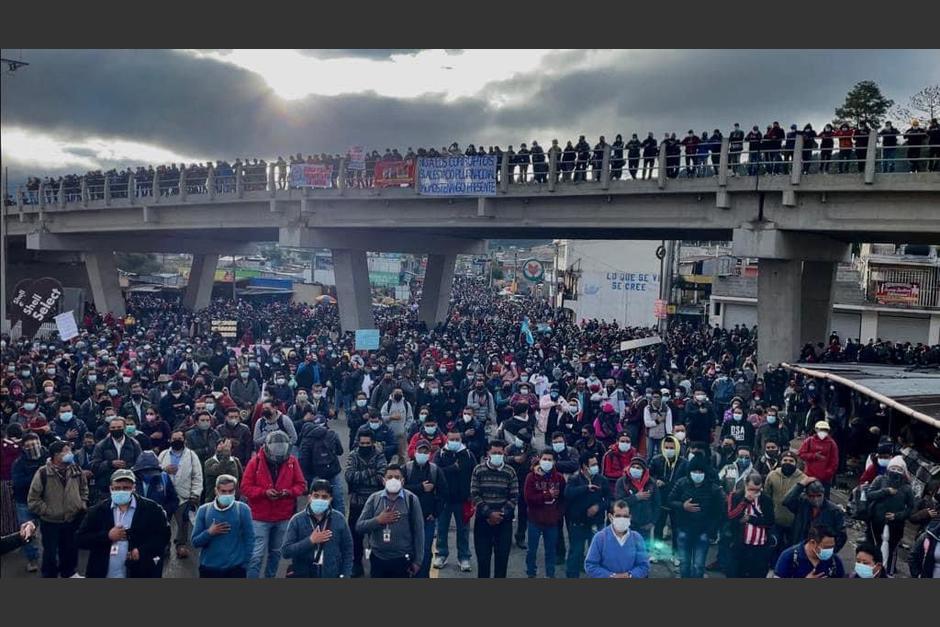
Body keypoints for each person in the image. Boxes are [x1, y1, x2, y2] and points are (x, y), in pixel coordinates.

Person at [75, 468, 171, 578]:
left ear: (134, 488)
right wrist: (107, 536)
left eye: (126, 488)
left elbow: (163, 537)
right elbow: (80, 539)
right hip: (103, 572)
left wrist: (142, 551)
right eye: (117, 488)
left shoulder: (152, 509)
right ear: (111, 489)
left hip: (139, 571)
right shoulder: (98, 511)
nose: (121, 491)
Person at [242, 430, 307, 578]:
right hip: (260, 516)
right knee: (256, 555)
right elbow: (245, 487)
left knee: (276, 553)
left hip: (283, 515)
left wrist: (288, 492)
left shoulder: (291, 461)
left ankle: (270, 577)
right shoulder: (255, 462)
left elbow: (301, 485)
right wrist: (264, 492)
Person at [27, 440, 88, 578]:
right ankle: (49, 575)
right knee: (50, 552)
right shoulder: (43, 472)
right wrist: (49, 511)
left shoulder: (76, 469)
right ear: (56, 454)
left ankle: (69, 573)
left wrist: (82, 503)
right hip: (51, 522)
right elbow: (33, 500)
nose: (70, 453)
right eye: (66, 451)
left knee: (70, 549)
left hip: (72, 519)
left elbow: (84, 488)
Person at [355, 464, 425, 578]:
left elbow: (419, 532)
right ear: (383, 481)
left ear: (403, 481)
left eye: (397, 477)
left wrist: (418, 561)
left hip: (402, 558)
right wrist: (378, 520)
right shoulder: (374, 498)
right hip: (378, 558)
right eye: (390, 477)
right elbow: (359, 526)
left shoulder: (412, 500)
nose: (393, 480)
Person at [281, 478, 353, 578]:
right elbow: (286, 551)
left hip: (331, 574)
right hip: (304, 575)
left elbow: (348, 550)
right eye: (316, 496)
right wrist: (310, 541)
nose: (320, 499)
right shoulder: (297, 520)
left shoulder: (339, 519)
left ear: (330, 499)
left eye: (324, 497)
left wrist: (345, 575)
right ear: (309, 497)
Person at [668, 455, 724, 578]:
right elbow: (670, 500)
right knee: (684, 564)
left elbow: (719, 512)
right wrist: (683, 506)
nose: (697, 474)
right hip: (683, 529)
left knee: (698, 566)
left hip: (703, 532)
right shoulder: (681, 483)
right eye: (694, 471)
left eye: (700, 471)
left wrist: (711, 532)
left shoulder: (713, 489)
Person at [470, 439, 518, 578]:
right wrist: (489, 514)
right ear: (488, 453)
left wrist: (500, 514)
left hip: (504, 522)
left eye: (500, 453)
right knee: (483, 562)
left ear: (504, 453)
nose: (497, 455)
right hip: (483, 522)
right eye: (494, 452)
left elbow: (514, 497)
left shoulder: (510, 471)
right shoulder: (478, 470)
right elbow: (475, 494)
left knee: (502, 562)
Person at [191, 474, 254, 577]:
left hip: (235, 569)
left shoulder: (243, 510)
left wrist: (245, 564)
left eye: (230, 491)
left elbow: (250, 539)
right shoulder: (204, 510)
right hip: (209, 568)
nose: (227, 494)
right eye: (223, 491)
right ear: (216, 491)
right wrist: (209, 533)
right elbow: (195, 542)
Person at [403, 439, 449, 577]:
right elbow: (401, 489)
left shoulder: (435, 470)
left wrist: (435, 513)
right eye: (420, 451)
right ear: (415, 452)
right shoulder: (406, 469)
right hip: (408, 518)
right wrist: (420, 488)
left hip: (427, 519)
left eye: (425, 451)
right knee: (407, 549)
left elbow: (443, 493)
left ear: (430, 454)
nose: (422, 454)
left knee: (425, 550)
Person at [345, 429, 387, 577]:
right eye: (362, 443)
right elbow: (349, 476)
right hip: (357, 502)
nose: (364, 445)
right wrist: (370, 472)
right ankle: (356, 564)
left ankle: (376, 564)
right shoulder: (353, 455)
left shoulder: (379, 455)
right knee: (355, 535)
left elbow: (382, 477)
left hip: (375, 501)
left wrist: (362, 476)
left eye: (367, 443)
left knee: (376, 535)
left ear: (373, 443)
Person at [434, 427, 476, 572]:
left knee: (463, 530)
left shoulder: (468, 455)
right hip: (444, 500)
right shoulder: (440, 454)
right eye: (451, 439)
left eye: (457, 439)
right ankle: (441, 554)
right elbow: (436, 473)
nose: (454, 442)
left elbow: (475, 474)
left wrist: (472, 495)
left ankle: (464, 557)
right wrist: (452, 468)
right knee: (442, 529)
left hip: (463, 500)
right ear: (447, 439)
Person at [865, 455, 914, 576]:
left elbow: (911, 508)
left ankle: (888, 573)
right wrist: (885, 491)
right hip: (876, 521)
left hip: (896, 524)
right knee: (874, 546)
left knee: (892, 550)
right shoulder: (880, 480)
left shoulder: (907, 488)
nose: (896, 472)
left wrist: (897, 516)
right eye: (893, 468)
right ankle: (871, 570)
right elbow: (869, 494)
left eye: (899, 469)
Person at [158, 430, 203, 559]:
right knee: (163, 522)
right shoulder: (163, 454)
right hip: (166, 496)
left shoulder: (191, 455)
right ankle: (165, 545)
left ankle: (181, 545)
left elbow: (197, 476)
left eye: (179, 438)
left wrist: (195, 494)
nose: (176, 441)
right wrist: (164, 470)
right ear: (170, 440)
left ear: (184, 441)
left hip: (184, 496)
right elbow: (155, 472)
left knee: (183, 522)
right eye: (174, 439)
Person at [565, 452, 611, 578]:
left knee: (597, 554)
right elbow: (568, 493)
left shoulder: (602, 480)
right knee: (576, 553)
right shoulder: (574, 479)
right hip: (578, 523)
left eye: (596, 464)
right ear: (584, 466)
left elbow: (609, 500)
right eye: (593, 464)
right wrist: (585, 488)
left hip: (596, 523)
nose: (596, 466)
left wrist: (598, 507)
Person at [524, 448, 565, 578]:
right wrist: (547, 495)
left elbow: (563, 499)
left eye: (549, 460)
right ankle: (531, 573)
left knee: (551, 551)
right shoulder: (531, 477)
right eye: (544, 459)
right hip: (534, 520)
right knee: (532, 551)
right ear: (539, 460)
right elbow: (528, 498)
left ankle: (550, 575)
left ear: (554, 462)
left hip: (552, 521)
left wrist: (558, 514)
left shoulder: (559, 478)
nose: (547, 462)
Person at [725, 473, 775, 577]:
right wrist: (745, 501)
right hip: (739, 544)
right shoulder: (735, 496)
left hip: (759, 546)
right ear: (745, 484)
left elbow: (770, 521)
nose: (754, 493)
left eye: (757, 490)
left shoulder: (766, 499)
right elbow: (731, 517)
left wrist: (750, 519)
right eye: (751, 489)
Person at [584, 500, 650, 578]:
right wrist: (611, 576)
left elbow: (644, 566)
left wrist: (629, 575)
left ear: (630, 517)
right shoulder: (600, 538)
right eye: (618, 516)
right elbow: (590, 565)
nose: (622, 519)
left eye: (625, 516)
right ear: (611, 517)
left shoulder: (637, 538)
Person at [783, 477, 847, 552]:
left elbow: (842, 535)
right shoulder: (802, 504)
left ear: (823, 494)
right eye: (812, 496)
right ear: (807, 495)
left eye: (819, 496)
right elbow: (787, 501)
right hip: (801, 548)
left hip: (821, 550)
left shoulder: (835, 511)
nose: (816, 499)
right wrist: (801, 485)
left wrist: (830, 551)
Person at [298, 415, 345, 515]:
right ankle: (340, 525)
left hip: (316, 475)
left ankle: (315, 525)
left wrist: (306, 479)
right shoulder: (332, 434)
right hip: (333, 472)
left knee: (316, 503)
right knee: (338, 502)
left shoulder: (306, 440)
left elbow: (303, 461)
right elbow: (340, 451)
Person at [614, 457, 660, 556]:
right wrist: (635, 497)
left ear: (643, 470)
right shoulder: (622, 482)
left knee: (641, 554)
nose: (635, 469)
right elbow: (618, 503)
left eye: (638, 468)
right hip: (627, 525)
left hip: (645, 526)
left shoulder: (651, 483)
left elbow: (657, 504)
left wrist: (653, 522)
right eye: (633, 467)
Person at [764, 450, 804, 560]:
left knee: (790, 550)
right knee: (773, 546)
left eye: (791, 461)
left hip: (794, 522)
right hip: (775, 520)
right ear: (781, 461)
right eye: (785, 460)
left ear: (796, 463)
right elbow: (767, 496)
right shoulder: (772, 475)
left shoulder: (803, 478)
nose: (788, 462)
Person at [772, 523, 845, 578]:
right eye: (826, 547)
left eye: (832, 547)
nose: (830, 551)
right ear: (813, 542)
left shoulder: (834, 561)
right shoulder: (789, 557)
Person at [90, 416, 142, 491]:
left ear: (124, 428)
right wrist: (110, 464)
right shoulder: (101, 446)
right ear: (109, 429)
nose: (116, 430)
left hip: (128, 485)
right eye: (113, 428)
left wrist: (127, 467)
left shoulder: (134, 444)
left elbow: (139, 465)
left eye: (119, 427)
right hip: (106, 487)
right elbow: (94, 466)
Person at [798, 420, 839, 498]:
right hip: (810, 476)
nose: (823, 432)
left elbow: (834, 461)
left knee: (824, 499)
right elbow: (801, 454)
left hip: (825, 479)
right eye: (821, 429)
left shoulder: (832, 443)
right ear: (816, 429)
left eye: (825, 430)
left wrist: (828, 473)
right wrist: (813, 456)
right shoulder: (809, 441)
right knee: (808, 497)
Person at [202, 438, 243, 502]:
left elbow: (240, 478)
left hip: (233, 499)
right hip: (212, 500)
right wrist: (226, 454)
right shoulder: (209, 462)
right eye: (220, 444)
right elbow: (219, 471)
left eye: (224, 444)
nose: (222, 446)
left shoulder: (235, 461)